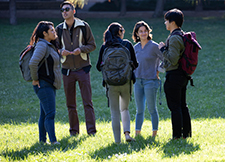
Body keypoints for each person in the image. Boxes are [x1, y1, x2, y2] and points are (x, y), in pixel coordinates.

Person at [55, 1, 97, 136]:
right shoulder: (59, 29)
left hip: (83, 69)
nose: (64, 12)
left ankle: (91, 131)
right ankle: (74, 131)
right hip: (67, 71)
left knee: (87, 102)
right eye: (62, 10)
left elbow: (92, 45)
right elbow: (53, 48)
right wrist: (61, 51)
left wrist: (81, 49)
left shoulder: (84, 26)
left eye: (67, 9)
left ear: (74, 11)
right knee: (70, 104)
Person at [96, 22, 138, 143]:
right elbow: (135, 64)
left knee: (114, 113)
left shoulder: (105, 47)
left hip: (110, 84)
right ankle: (127, 135)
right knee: (124, 109)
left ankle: (117, 141)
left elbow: (99, 66)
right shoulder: (127, 44)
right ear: (120, 32)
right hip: (126, 82)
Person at [158, 8, 192, 139]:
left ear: (172, 22)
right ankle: (186, 134)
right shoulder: (181, 35)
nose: (165, 23)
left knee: (175, 107)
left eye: (166, 21)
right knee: (182, 105)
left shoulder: (174, 38)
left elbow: (172, 59)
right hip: (182, 75)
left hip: (174, 75)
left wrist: (162, 49)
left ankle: (177, 135)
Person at [29, 21, 61, 144]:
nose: (54, 32)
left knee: (44, 114)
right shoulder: (42, 45)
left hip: (48, 84)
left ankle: (42, 141)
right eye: (52, 30)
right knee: (50, 114)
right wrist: (35, 79)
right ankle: (53, 141)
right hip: (43, 84)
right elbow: (33, 63)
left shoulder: (48, 45)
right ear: (44, 33)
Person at [132, 21, 163, 137]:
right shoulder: (135, 47)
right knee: (139, 110)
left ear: (148, 31)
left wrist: (158, 71)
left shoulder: (154, 46)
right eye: (141, 31)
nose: (143, 33)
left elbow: (165, 60)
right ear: (137, 33)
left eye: (145, 30)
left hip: (151, 81)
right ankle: (137, 133)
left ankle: (154, 133)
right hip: (138, 81)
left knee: (152, 109)